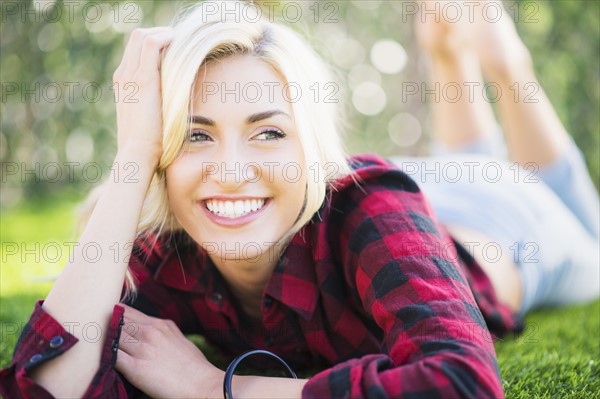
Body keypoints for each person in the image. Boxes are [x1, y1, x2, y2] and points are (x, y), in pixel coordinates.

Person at [0, 1, 597, 398]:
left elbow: (460, 383)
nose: (231, 173)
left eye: (269, 132)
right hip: (433, 185)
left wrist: (218, 387)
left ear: (310, 148)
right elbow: (49, 388)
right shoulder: (165, 248)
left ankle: (499, 55)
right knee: (461, 154)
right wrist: (131, 158)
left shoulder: (367, 205)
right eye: (197, 134)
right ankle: (446, 51)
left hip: (518, 220)